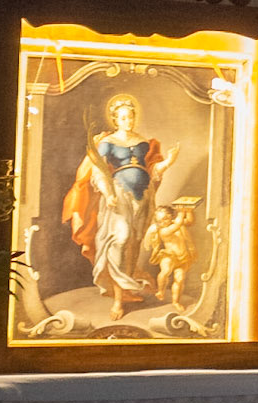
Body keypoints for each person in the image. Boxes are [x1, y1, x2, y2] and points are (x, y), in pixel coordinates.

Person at [62, 94, 177, 319]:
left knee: (133, 244)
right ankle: (117, 301)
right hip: (118, 195)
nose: (129, 121)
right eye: (124, 118)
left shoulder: (144, 142)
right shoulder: (108, 142)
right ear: (116, 120)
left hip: (143, 197)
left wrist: (168, 162)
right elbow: (98, 170)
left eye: (131, 117)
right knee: (120, 239)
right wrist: (108, 193)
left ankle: (124, 294)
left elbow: (152, 171)